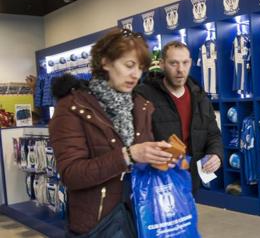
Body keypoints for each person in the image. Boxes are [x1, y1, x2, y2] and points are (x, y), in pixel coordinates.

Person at [49, 28, 178, 235]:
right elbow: (71, 174)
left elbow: (143, 156)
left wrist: (159, 158)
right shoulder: (72, 108)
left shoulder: (141, 106)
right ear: (105, 62)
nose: (136, 74)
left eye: (140, 67)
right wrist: (128, 155)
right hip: (99, 224)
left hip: (142, 217)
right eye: (129, 65)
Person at [136, 41, 223, 195]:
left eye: (185, 63)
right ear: (162, 64)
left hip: (190, 180)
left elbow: (213, 133)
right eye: (173, 63)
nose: (180, 70)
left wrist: (216, 154)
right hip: (157, 182)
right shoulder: (144, 96)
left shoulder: (200, 98)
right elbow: (137, 139)